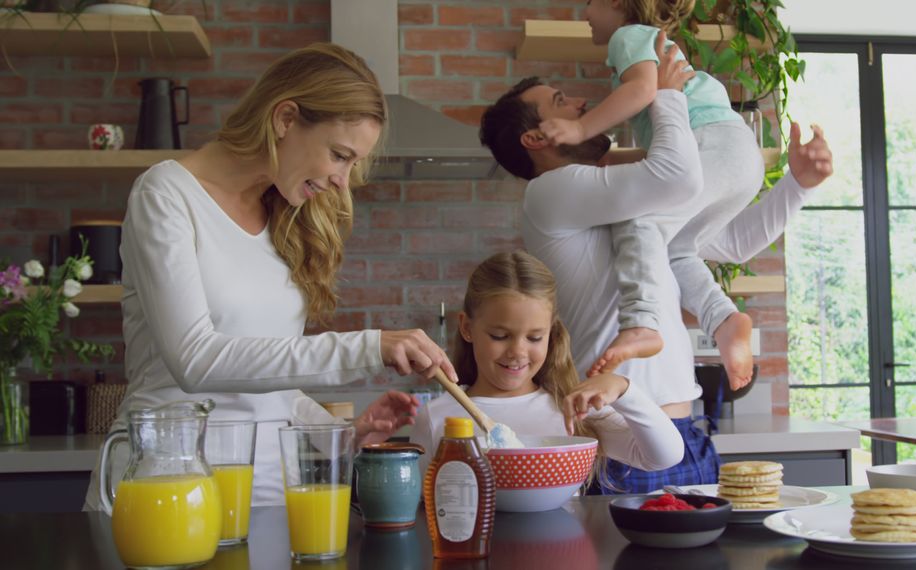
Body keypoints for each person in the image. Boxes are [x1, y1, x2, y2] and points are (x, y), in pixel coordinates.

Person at [84, 43, 456, 510]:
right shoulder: (167, 194)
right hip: (166, 488)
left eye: (353, 163)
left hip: (266, 496)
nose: (344, 180)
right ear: (284, 119)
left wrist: (339, 432)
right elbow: (196, 360)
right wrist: (369, 346)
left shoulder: (285, 215)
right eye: (339, 154)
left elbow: (264, 385)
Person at [478, 33, 833, 492]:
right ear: (536, 137)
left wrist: (797, 186)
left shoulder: (632, 205)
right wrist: (664, 94)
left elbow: (728, 243)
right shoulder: (549, 193)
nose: (585, 102)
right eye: (563, 102)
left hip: (686, 435)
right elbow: (677, 175)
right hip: (618, 446)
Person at [538, 0, 763, 388]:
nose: (585, 14)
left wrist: (579, 130)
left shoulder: (629, 36)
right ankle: (723, 320)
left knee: (639, 216)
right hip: (736, 155)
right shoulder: (645, 40)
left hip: (711, 143)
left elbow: (643, 90)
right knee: (676, 249)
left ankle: (641, 323)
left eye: (588, 3)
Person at [410, 251, 683, 485]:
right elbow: (420, 507)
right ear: (467, 328)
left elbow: (665, 456)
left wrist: (624, 390)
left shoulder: (572, 412)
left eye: (534, 338)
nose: (518, 351)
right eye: (500, 336)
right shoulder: (436, 418)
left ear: (550, 335)